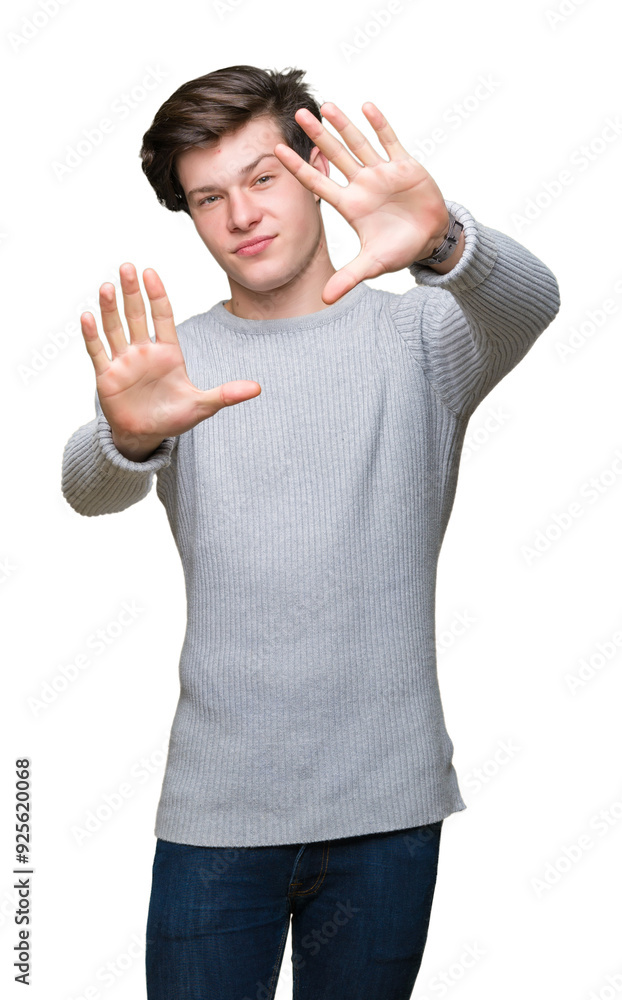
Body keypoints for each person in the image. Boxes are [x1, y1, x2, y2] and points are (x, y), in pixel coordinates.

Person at [61, 64, 561, 1000]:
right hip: (218, 813)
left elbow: (532, 301)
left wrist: (444, 238)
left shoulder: (420, 342)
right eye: (209, 197)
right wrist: (129, 434)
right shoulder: (182, 364)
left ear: (314, 169)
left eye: (263, 178)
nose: (242, 213)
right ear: (190, 214)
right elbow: (85, 488)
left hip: (389, 807)